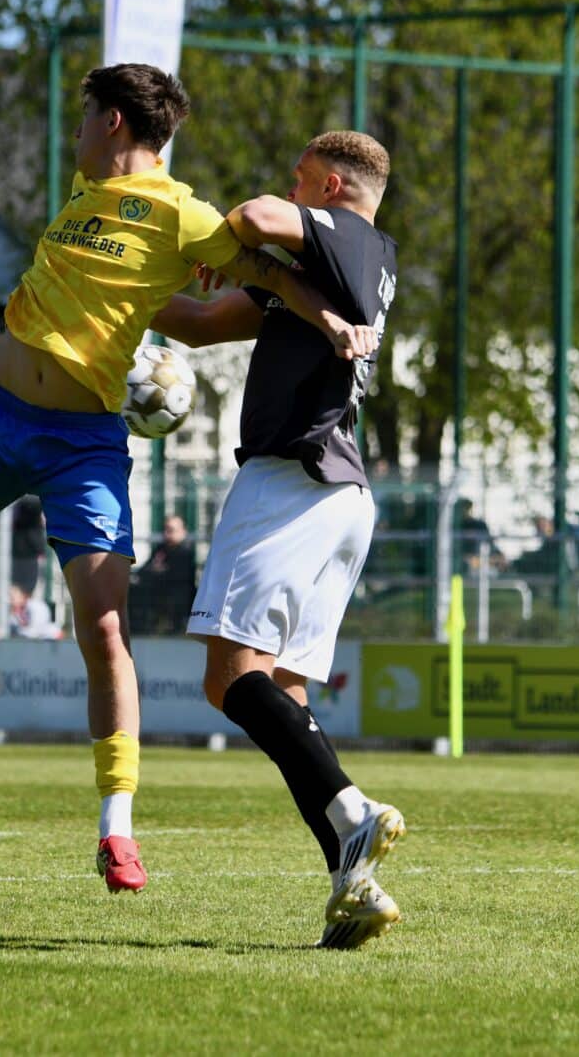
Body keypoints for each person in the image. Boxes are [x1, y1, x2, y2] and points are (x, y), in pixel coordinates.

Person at [0, 65, 372, 897]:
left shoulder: (183, 214)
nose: (74, 134)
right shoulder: (84, 188)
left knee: (105, 628)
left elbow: (263, 274)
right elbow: (187, 300)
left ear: (111, 123)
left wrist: (324, 314)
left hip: (85, 446)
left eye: (83, 119)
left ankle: (117, 827)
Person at [150, 128, 403, 948]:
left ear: (331, 188)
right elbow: (192, 324)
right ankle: (353, 878)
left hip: (290, 482)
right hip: (338, 494)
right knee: (284, 696)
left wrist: (228, 237)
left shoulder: (353, 238)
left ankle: (353, 809)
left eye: (301, 182)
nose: (288, 194)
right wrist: (110, 284)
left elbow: (256, 215)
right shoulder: (327, 275)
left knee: (228, 679)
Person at [131, 514, 197, 634]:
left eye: (171, 530)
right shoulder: (161, 550)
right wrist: (155, 571)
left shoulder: (185, 552)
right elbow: (144, 571)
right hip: (156, 595)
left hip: (176, 600)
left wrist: (157, 572)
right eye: (165, 530)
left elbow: (179, 577)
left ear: (183, 532)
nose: (167, 534)